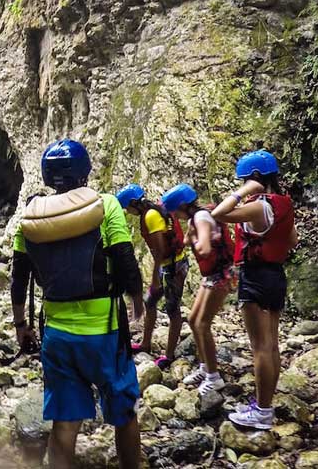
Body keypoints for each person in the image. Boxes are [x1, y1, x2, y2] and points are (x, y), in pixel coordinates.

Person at [25, 140, 144, 469]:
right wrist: (137, 302)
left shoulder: (33, 215)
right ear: (85, 171)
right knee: (125, 414)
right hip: (104, 332)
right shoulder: (105, 204)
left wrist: (20, 324)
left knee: (65, 422)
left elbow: (21, 274)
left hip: (57, 335)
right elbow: (124, 257)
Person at [211, 150, 297, 431]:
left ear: (256, 179)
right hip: (275, 275)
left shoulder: (259, 205)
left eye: (246, 179)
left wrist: (242, 192)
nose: (244, 184)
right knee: (271, 344)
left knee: (260, 347)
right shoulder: (284, 204)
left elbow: (219, 213)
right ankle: (265, 406)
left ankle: (262, 412)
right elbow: (292, 240)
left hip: (256, 277)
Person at [160, 183, 235, 396]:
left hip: (221, 274)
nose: (174, 215)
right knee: (193, 320)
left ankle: (214, 377)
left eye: (174, 211)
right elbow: (186, 241)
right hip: (212, 274)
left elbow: (204, 247)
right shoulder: (198, 217)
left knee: (202, 324)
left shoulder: (200, 218)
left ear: (182, 206)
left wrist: (195, 237)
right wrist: (188, 234)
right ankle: (205, 367)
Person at [116, 184, 188, 369]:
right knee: (150, 302)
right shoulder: (152, 210)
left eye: (127, 208)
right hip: (170, 264)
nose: (128, 211)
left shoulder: (150, 215)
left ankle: (169, 355)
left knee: (173, 309)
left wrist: (155, 278)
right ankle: (145, 343)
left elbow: (160, 249)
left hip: (173, 266)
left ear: (133, 203)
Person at [11, 195, 40, 355]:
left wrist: (19, 324)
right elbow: (19, 281)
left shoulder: (22, 229)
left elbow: (19, 283)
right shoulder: (23, 231)